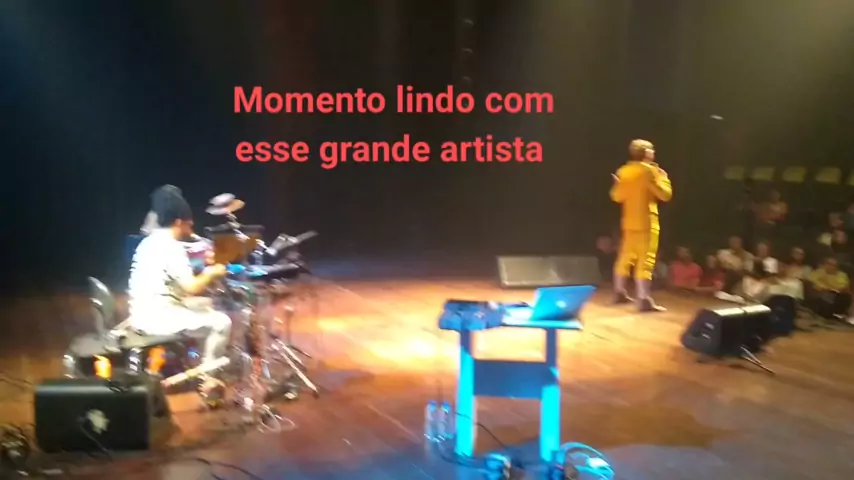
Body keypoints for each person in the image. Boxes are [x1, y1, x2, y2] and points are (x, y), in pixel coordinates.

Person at [127, 185, 231, 365]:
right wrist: (212, 271)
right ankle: (208, 373)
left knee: (206, 305)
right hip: (156, 319)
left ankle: (193, 360)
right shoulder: (171, 246)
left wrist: (202, 267)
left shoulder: (148, 242)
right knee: (222, 322)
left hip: (141, 313)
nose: (192, 226)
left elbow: (173, 280)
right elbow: (191, 287)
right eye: (189, 223)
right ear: (178, 222)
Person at [610, 139, 673, 312]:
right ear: (645, 152)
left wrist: (617, 185)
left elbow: (616, 197)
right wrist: (664, 179)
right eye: (651, 150)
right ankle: (643, 299)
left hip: (628, 222)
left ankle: (619, 292)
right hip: (647, 221)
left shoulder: (623, 171)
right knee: (646, 261)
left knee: (625, 258)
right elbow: (665, 195)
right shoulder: (649, 171)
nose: (653, 152)